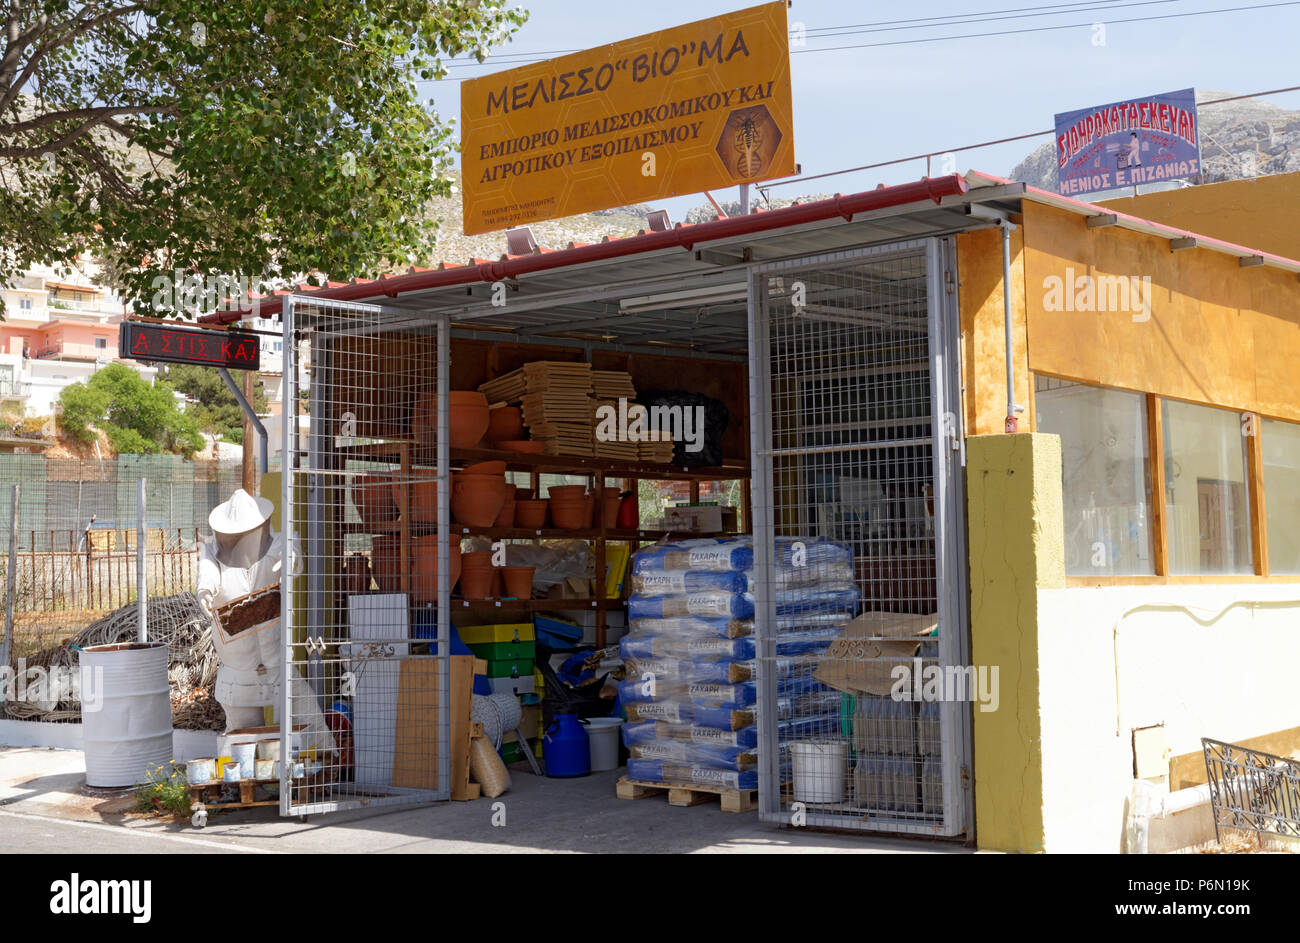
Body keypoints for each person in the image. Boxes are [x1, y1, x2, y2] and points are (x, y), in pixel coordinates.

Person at [197, 489, 284, 731]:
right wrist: (205, 590)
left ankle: (324, 766)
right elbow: (208, 570)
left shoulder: (275, 544)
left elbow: (290, 549)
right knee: (242, 742)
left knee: (309, 731)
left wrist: (291, 559)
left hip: (278, 666)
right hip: (238, 672)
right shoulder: (212, 552)